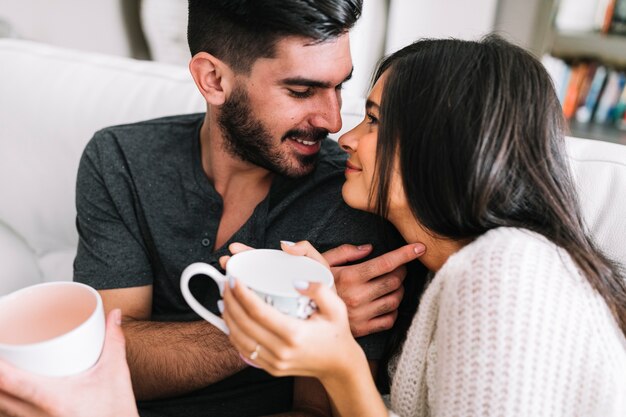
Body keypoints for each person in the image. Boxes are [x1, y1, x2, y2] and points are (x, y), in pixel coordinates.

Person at [221, 35, 626, 416]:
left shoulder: (508, 268)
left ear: (444, 143)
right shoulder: (441, 272)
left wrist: (339, 363)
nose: (345, 137)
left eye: (374, 120)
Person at [70, 1, 423, 416]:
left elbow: (317, 412)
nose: (332, 120)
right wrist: (287, 319)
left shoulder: (349, 193)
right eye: (301, 91)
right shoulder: (121, 160)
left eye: (340, 86)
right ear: (213, 79)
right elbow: (108, 357)